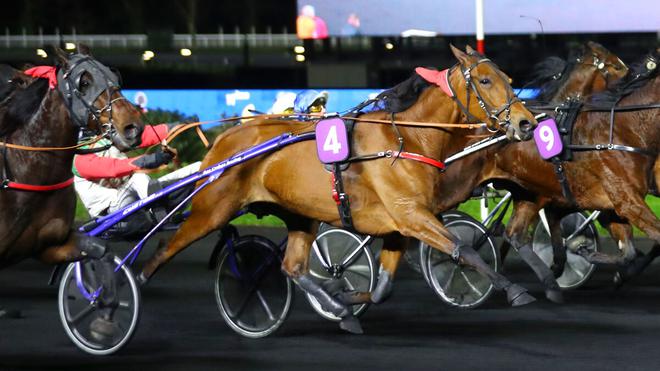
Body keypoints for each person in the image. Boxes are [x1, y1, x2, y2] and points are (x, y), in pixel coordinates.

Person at [73, 123, 201, 233]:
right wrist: (152, 159)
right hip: (110, 213)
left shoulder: (103, 139)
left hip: (136, 198)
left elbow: (140, 137)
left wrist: (177, 126)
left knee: (200, 168)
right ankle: (160, 212)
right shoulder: (78, 159)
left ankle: (161, 208)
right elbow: (113, 168)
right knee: (138, 179)